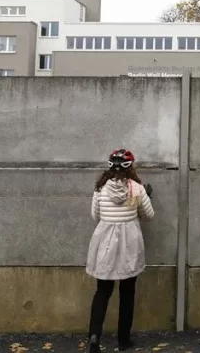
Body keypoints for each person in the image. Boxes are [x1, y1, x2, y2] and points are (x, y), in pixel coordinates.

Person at [86, 149, 155, 353]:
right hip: (129, 244)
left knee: (103, 291)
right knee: (127, 292)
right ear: (130, 167)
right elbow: (148, 215)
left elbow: (94, 215)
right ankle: (123, 340)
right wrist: (147, 197)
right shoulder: (136, 189)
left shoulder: (100, 188)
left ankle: (94, 337)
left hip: (105, 242)